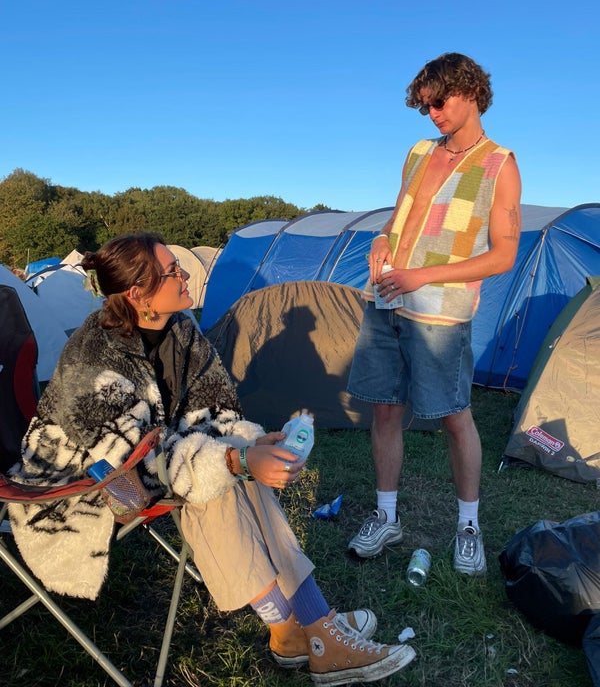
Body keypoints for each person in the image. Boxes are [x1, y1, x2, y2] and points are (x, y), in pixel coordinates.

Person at [8, 232, 416, 686]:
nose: (185, 274)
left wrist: (252, 445)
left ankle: (305, 630)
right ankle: (303, 629)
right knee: (214, 482)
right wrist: (235, 461)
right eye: (172, 271)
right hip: (85, 482)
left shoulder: (182, 331)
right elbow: (133, 464)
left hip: (156, 459)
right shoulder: (92, 358)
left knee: (228, 468)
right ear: (138, 294)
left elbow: (219, 410)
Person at [346, 53, 521, 575]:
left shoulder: (500, 164)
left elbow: (504, 255)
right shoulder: (419, 152)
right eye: (425, 107)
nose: (433, 114)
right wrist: (381, 238)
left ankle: (468, 526)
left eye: (439, 102)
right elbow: (401, 214)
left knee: (453, 415)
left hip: (440, 315)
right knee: (384, 409)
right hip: (386, 299)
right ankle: (386, 516)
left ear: (470, 91)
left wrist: (422, 276)